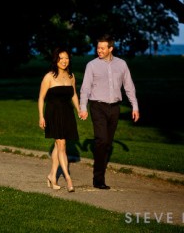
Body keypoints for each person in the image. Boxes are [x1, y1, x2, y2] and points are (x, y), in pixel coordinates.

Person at [79, 34, 140, 190]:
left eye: (102, 48)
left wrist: (135, 106)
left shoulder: (122, 64)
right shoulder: (91, 65)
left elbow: (129, 86)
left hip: (114, 108)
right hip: (97, 106)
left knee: (107, 143)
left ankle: (100, 172)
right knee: (101, 140)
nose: (99, 50)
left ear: (110, 48)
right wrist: (83, 107)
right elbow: (85, 88)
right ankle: (98, 179)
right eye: (98, 47)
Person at [38, 48, 80, 193]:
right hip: (53, 113)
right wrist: (41, 116)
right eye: (61, 58)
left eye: (67, 58)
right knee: (61, 144)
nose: (64, 61)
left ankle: (51, 176)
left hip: (67, 113)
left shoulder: (71, 76)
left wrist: (79, 109)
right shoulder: (49, 77)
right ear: (56, 60)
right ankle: (68, 178)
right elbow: (41, 98)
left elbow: (73, 94)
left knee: (59, 145)